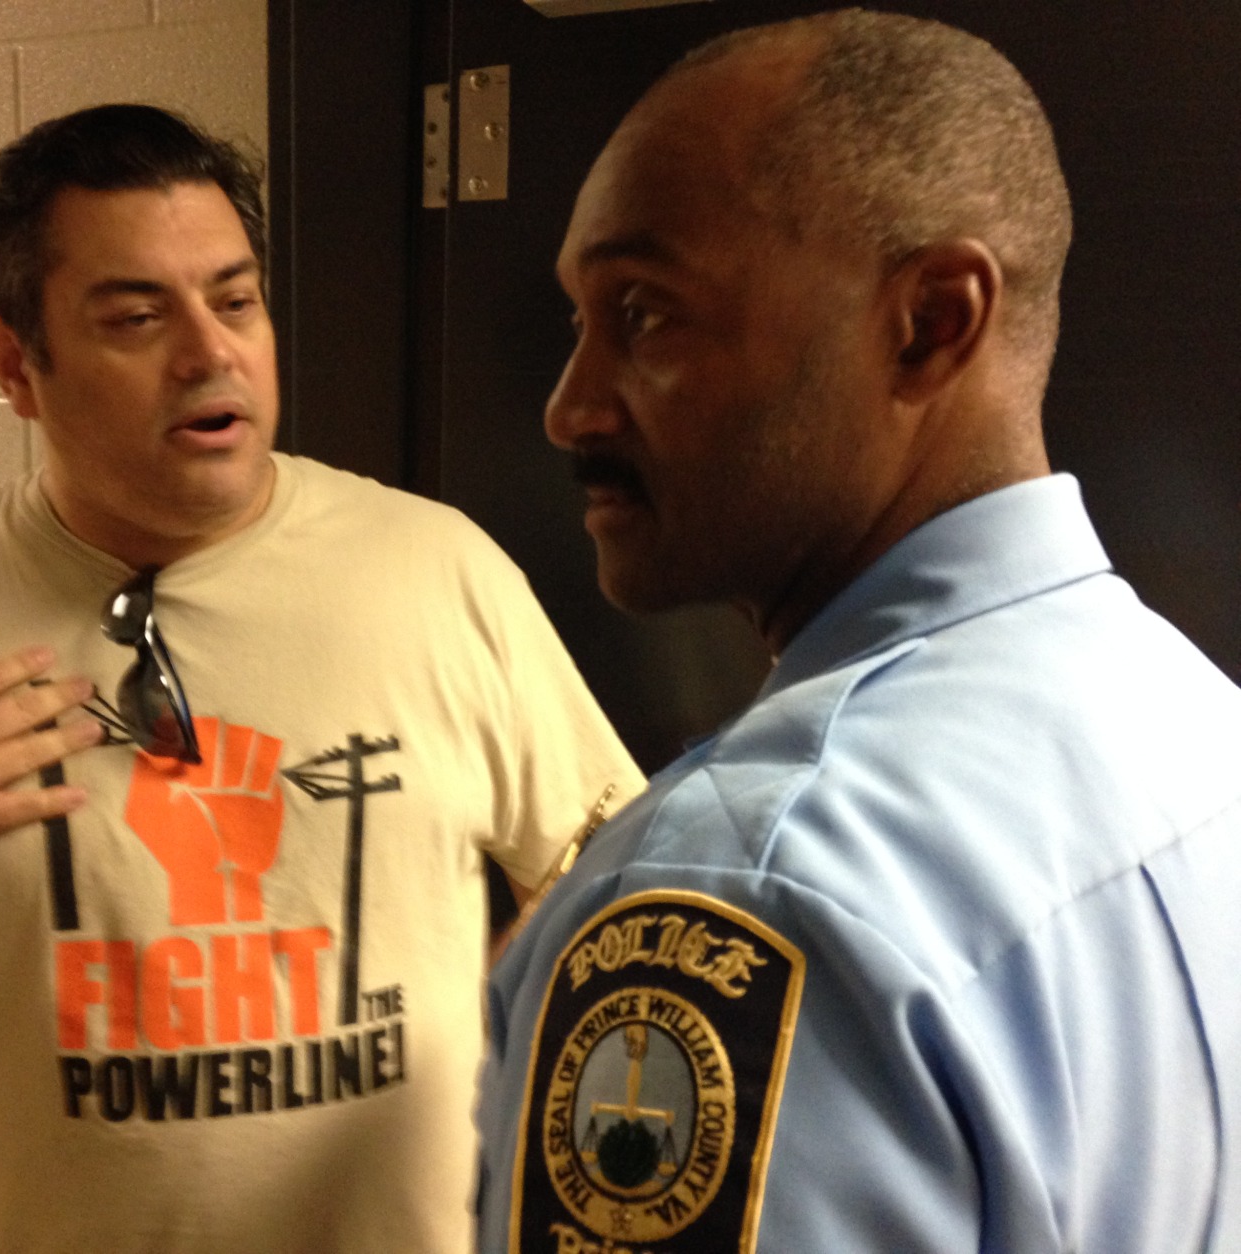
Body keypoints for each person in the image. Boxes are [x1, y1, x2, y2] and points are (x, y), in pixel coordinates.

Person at [0, 105, 644, 1251]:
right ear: (15, 364)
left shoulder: (439, 573)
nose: (211, 353)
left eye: (236, 300)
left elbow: (615, 876)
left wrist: (494, 1042)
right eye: (136, 316)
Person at [479, 11, 1241, 1254]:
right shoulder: (1198, 725)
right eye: (581, 321)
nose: (571, 408)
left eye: (647, 313)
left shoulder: (742, 892)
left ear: (930, 323)